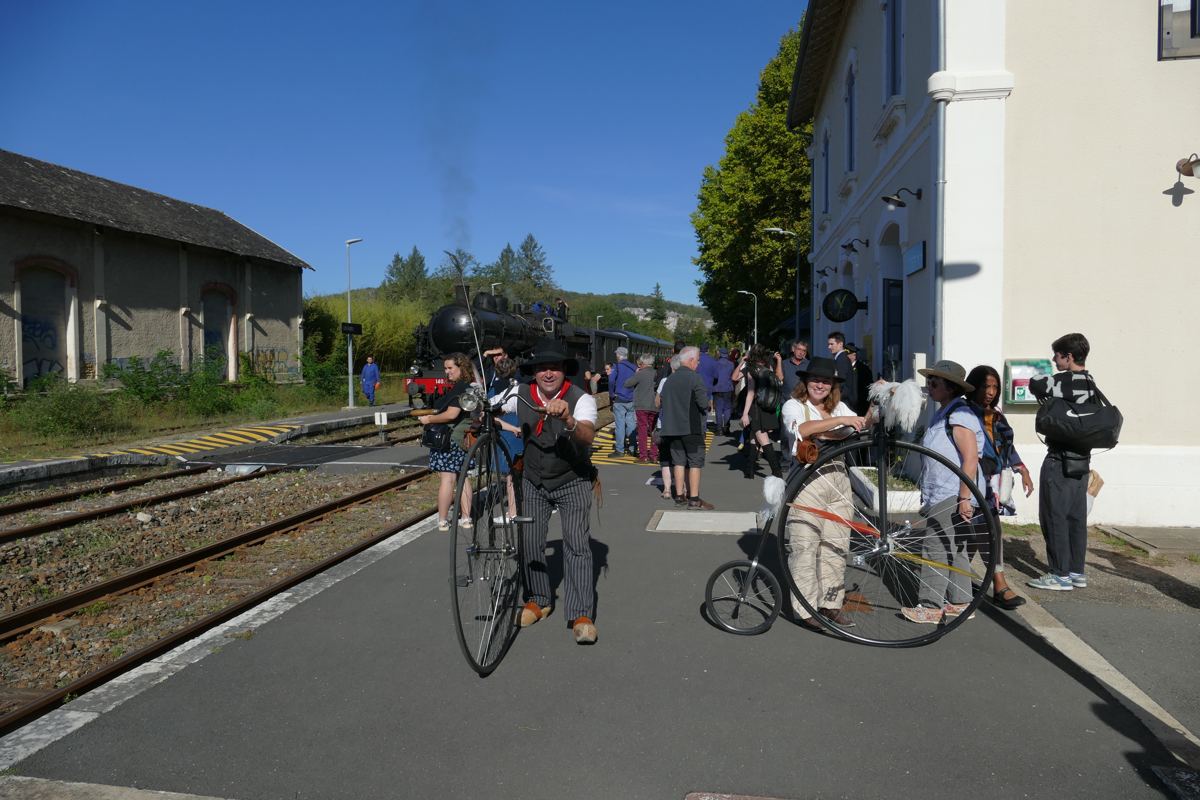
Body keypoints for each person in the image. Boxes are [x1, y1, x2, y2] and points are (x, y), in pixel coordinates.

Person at [498, 340, 600, 645]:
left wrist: (567, 419)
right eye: (542, 368)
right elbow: (493, 403)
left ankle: (581, 614)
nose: (548, 373)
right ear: (534, 372)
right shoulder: (520, 392)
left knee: (577, 544)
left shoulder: (580, 398)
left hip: (573, 479)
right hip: (534, 480)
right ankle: (539, 599)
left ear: (564, 370)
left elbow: (587, 436)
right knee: (530, 540)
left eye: (554, 367)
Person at [780, 357, 868, 630]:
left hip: (838, 479)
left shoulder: (838, 405)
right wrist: (839, 425)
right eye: (815, 380)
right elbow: (802, 431)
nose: (820, 385)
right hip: (807, 482)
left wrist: (834, 430)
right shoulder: (794, 406)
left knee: (835, 546)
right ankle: (805, 608)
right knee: (804, 546)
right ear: (806, 382)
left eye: (826, 381)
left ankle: (830, 604)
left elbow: (858, 426)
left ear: (833, 386)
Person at [902, 360, 984, 624]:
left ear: (949, 388)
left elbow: (970, 458)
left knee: (935, 547)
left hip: (952, 492)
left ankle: (930, 606)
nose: (929, 386)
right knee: (954, 548)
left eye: (934, 383)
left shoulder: (959, 415)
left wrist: (963, 498)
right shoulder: (945, 412)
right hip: (945, 492)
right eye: (929, 381)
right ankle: (961, 602)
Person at [1027, 333, 1102, 592]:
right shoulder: (1091, 383)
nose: (1053, 359)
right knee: (1075, 518)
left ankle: (1059, 574)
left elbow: (1035, 384)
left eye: (1057, 355)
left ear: (1068, 357)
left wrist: (1051, 374)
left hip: (1059, 460)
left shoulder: (1064, 381)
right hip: (1081, 461)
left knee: (1054, 516)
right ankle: (1076, 571)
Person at [965, 364, 1034, 609]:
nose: (991, 392)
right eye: (986, 386)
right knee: (988, 532)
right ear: (974, 387)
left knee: (980, 533)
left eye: (995, 387)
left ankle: (956, 578)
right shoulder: (966, 414)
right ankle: (999, 584)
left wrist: (1022, 469)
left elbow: (1007, 448)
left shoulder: (997, 416)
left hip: (993, 483)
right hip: (972, 481)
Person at [416, 353, 476, 531]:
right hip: (463, 438)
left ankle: (442, 520)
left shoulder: (460, 389)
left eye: (451, 368)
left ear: (461, 368)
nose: (447, 372)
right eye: (446, 368)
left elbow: (452, 414)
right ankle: (466, 518)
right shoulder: (467, 387)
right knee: (463, 478)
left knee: (448, 479)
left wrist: (429, 420)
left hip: (450, 439)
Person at [658, 346, 715, 509]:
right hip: (691, 427)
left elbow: (662, 402)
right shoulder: (694, 378)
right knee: (695, 463)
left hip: (671, 429)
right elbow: (703, 403)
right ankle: (694, 498)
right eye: (697, 361)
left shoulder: (669, 380)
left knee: (678, 462)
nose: (698, 364)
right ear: (690, 360)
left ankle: (679, 496)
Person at [738, 343, 784, 479]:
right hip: (767, 408)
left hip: (756, 409)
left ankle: (777, 472)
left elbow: (750, 393)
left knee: (763, 440)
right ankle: (749, 470)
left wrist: (745, 413)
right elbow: (780, 379)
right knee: (753, 438)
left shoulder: (752, 369)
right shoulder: (768, 367)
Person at [488, 356, 525, 518]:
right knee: (516, 472)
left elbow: (490, 412)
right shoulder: (521, 387)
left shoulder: (495, 387)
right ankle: (515, 509)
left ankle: (513, 512)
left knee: (510, 474)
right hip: (518, 427)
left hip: (505, 429)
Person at [624, 353, 659, 463]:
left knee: (642, 430)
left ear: (643, 363)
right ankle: (654, 454)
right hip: (655, 405)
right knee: (654, 430)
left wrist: (636, 373)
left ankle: (643, 456)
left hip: (642, 406)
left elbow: (627, 384)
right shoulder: (656, 373)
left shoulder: (640, 373)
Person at [608, 347, 637, 457]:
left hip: (619, 399)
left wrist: (611, 394)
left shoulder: (617, 367)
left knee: (620, 425)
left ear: (619, 355)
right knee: (631, 424)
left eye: (616, 354)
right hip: (631, 398)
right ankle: (633, 448)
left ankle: (620, 450)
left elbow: (611, 380)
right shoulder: (634, 367)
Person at [712, 348, 736, 435]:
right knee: (727, 408)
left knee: (718, 409)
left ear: (720, 354)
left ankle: (719, 430)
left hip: (717, 388)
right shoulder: (731, 364)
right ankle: (726, 427)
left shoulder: (715, 364)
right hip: (728, 388)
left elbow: (714, 376)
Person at [845, 344, 873, 416]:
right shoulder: (844, 367)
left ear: (854, 355)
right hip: (846, 405)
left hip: (859, 406)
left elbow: (868, 388)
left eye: (846, 354)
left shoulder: (863, 369)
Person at [696, 343, 720, 422]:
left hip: (695, 386)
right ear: (708, 350)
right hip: (707, 387)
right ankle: (703, 429)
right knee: (704, 409)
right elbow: (716, 376)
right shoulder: (713, 361)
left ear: (699, 350)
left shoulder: (695, 359)